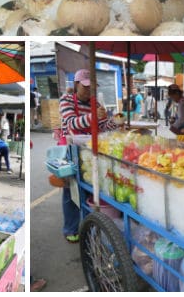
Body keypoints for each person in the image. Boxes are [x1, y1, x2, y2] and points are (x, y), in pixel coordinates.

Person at [59, 69, 117, 243]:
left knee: (90, 187)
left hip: (91, 150)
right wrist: (93, 116)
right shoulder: (66, 100)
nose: (89, 91)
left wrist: (113, 122)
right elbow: (72, 123)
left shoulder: (95, 103)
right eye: (85, 87)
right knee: (71, 190)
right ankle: (70, 228)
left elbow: (102, 127)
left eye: (91, 88)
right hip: (72, 151)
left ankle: (89, 225)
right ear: (76, 84)